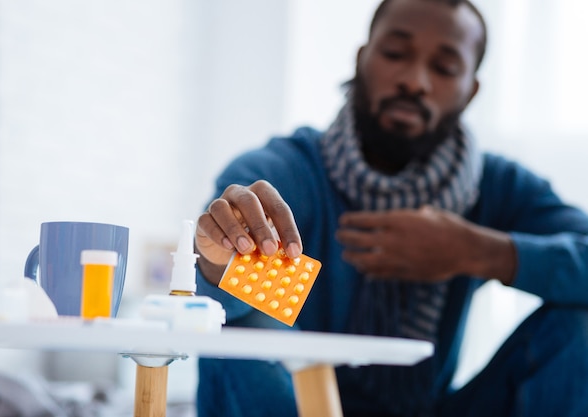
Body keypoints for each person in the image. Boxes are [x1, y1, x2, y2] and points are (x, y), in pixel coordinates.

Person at [194, 0, 588, 415]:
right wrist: (218, 264)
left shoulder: (497, 187)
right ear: (363, 59)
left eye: (445, 68)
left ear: (470, 90)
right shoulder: (284, 173)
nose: (415, 81)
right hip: (296, 403)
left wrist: (478, 252)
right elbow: (227, 311)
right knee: (233, 324)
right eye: (396, 54)